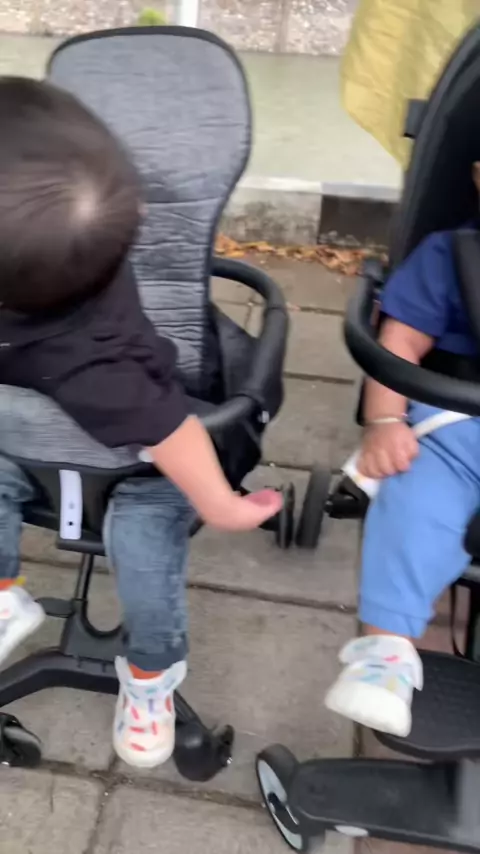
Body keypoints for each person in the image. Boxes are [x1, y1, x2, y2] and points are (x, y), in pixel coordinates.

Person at [0, 77, 282, 768]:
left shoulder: (104, 363)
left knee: (143, 549)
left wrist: (221, 503)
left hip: (139, 466)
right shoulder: (58, 274)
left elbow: (176, 435)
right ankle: (6, 595)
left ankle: (152, 672)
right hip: (32, 450)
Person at [325, 162, 480, 738]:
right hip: (457, 427)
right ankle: (384, 657)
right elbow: (401, 341)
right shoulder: (451, 256)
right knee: (413, 505)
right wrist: (386, 420)